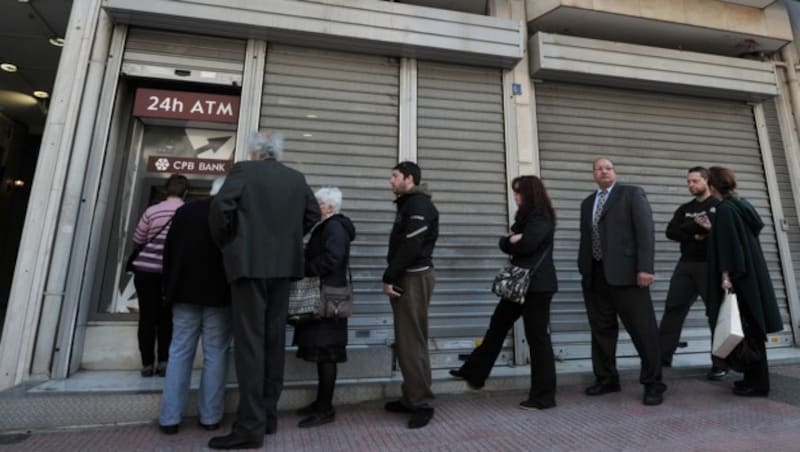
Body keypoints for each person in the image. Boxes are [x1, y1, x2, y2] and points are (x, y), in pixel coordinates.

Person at [207, 132, 320, 449]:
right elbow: (312, 215)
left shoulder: (243, 171)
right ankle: (267, 416)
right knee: (273, 342)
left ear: (255, 152)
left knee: (250, 346)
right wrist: (288, 240)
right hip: (283, 270)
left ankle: (249, 427)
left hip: (249, 268)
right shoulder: (296, 178)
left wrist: (231, 244)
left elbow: (219, 211)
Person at [449, 175, 558, 410]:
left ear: (530, 193)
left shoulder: (541, 216)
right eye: (514, 192)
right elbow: (511, 243)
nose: (516, 197)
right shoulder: (527, 217)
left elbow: (527, 245)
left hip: (537, 287)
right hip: (521, 285)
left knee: (537, 339)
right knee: (497, 325)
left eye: (519, 192)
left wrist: (512, 241)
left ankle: (544, 396)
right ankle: (474, 373)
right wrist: (510, 240)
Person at [578, 157, 666, 406]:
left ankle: (653, 384)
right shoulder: (587, 203)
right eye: (598, 169)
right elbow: (586, 238)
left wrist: (645, 268)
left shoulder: (631, 194)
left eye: (608, 168)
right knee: (601, 331)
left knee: (643, 331)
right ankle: (607, 379)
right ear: (593, 174)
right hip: (595, 276)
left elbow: (645, 230)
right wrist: (583, 269)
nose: (603, 171)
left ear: (614, 172)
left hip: (628, 276)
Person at [158, 177, 232, 435]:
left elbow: (169, 252)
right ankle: (210, 417)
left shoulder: (185, 212)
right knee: (216, 354)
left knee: (179, 351)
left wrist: (169, 288)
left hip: (184, 293)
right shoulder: (231, 216)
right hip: (219, 296)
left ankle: (169, 418)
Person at [701, 166, 782, 397]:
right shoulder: (741, 204)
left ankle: (757, 384)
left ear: (712, 185)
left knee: (749, 330)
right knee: (751, 330)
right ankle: (752, 379)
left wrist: (726, 277)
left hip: (740, 278)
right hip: (751, 276)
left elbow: (730, 246)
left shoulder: (725, 209)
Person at [292, 187, 356, 428]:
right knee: (322, 353)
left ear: (329, 206)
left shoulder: (334, 227)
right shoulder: (329, 226)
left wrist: (307, 268)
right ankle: (321, 404)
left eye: (318, 203)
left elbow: (334, 258)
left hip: (328, 297)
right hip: (327, 294)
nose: (314, 207)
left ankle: (325, 409)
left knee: (327, 354)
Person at [382, 161, 439, 429]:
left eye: (394, 176)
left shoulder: (418, 205)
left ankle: (422, 403)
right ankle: (411, 396)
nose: (390, 181)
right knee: (407, 341)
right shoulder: (409, 204)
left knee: (412, 340)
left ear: (409, 179)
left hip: (414, 277)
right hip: (410, 275)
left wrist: (390, 275)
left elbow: (412, 245)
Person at [658, 167, 728, 381]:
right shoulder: (686, 208)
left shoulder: (719, 206)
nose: (691, 185)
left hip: (710, 266)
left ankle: (720, 364)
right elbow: (671, 231)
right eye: (688, 182)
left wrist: (707, 230)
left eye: (695, 181)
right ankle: (661, 358)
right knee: (672, 309)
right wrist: (696, 230)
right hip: (686, 265)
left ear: (706, 181)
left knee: (715, 315)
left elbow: (725, 234)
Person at [130, 174, 188, 377]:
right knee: (167, 318)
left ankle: (147, 364)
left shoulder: (152, 211)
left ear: (165, 190)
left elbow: (138, 238)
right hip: (170, 275)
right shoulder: (186, 212)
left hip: (145, 271)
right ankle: (164, 361)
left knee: (146, 317)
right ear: (185, 192)